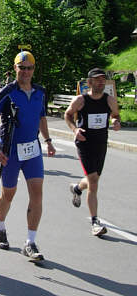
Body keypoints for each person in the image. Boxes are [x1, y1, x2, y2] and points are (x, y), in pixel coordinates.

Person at [0, 51, 56, 262]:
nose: (25, 72)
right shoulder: (7, 92)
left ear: (34, 69)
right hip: (10, 152)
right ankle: (0, 226)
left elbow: (41, 117)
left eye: (29, 68)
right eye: (21, 68)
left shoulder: (40, 92)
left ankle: (30, 243)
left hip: (32, 150)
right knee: (9, 194)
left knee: (37, 194)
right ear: (15, 68)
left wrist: (48, 141)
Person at [64, 68, 121, 237]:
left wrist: (116, 122)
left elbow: (115, 115)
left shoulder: (109, 100)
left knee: (93, 178)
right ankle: (95, 221)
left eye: (103, 79)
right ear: (89, 82)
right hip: (84, 144)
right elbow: (67, 115)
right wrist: (75, 130)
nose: (101, 82)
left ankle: (77, 188)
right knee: (94, 180)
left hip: (101, 143)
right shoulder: (81, 100)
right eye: (97, 80)